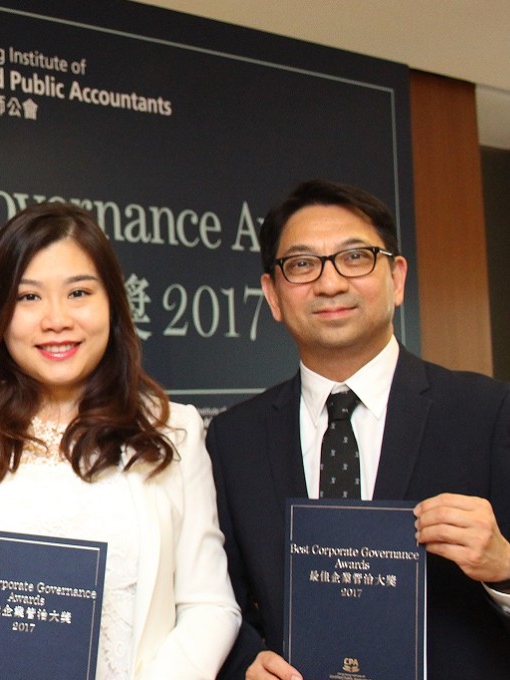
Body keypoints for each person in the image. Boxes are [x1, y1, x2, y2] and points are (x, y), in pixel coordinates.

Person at [0, 202, 241, 680]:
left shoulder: (172, 432)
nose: (56, 319)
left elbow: (208, 605)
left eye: (79, 292)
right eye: (28, 297)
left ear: (113, 303)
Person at [206, 179, 510, 679]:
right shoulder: (233, 439)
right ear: (273, 295)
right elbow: (220, 602)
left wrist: (504, 568)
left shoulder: (489, 412)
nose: (329, 284)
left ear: (397, 278)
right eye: (302, 265)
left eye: (354, 258)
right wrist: (245, 664)